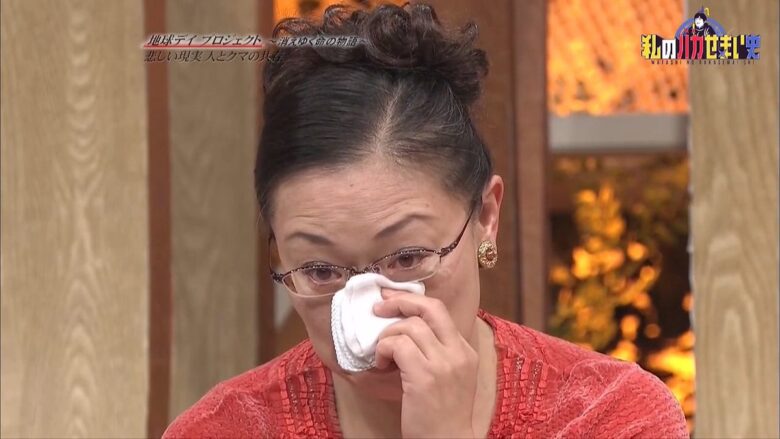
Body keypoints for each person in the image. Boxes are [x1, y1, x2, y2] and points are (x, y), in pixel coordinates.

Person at [163, 3, 688, 438]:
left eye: (408, 258)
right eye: (321, 271)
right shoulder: (223, 428)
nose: (373, 313)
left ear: (486, 217)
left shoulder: (610, 416)